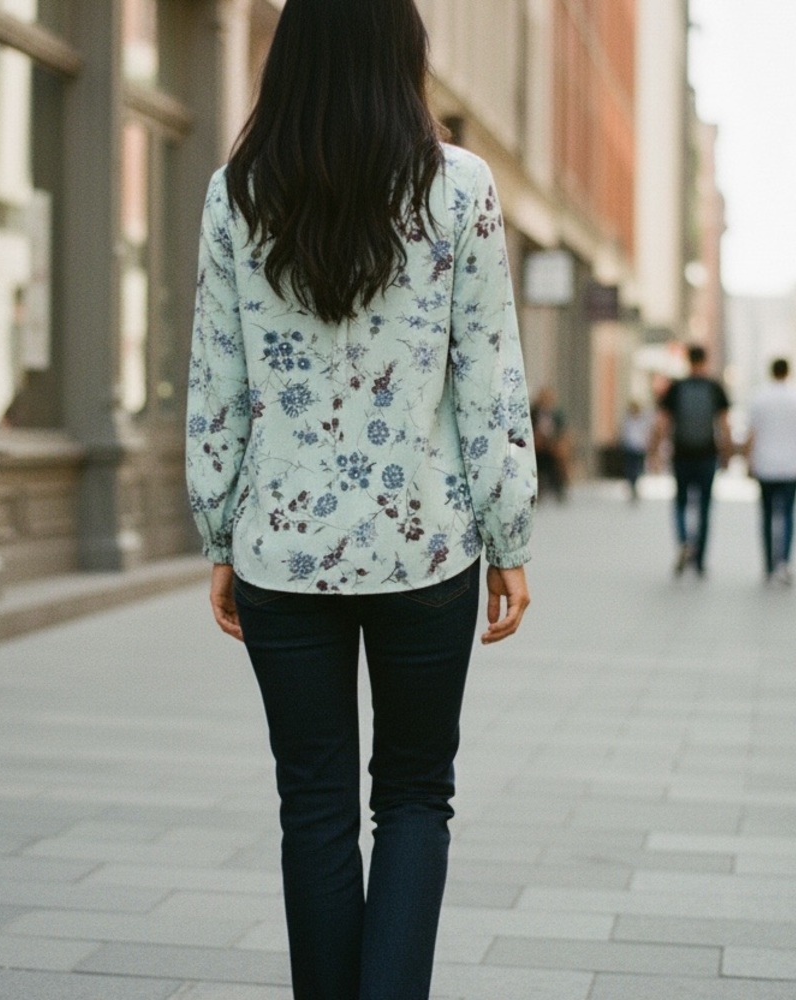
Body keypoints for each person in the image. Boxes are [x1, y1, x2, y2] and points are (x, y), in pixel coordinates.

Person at [185, 3, 537, 998]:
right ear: (405, 56)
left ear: (288, 55)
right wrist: (508, 535)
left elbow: (215, 381)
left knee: (314, 808)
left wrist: (218, 529)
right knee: (417, 798)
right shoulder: (460, 189)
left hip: (279, 554)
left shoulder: (238, 195)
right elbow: (489, 377)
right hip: (426, 548)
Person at [651, 344, 731, 577]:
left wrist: (655, 451)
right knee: (705, 507)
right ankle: (700, 559)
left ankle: (684, 541)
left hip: (682, 455)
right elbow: (724, 424)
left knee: (681, 503)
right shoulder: (715, 388)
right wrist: (726, 453)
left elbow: (662, 423)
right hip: (707, 455)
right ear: (705, 361)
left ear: (688, 361)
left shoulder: (676, 388)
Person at [745, 358, 796, 584]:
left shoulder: (759, 398)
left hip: (765, 465)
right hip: (790, 465)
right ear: (788, 373)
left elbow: (752, 434)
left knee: (766, 515)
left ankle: (768, 565)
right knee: (787, 514)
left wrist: (749, 460)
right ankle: (784, 561)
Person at [531, 386, 571, 501]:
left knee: (561, 455)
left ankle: (560, 488)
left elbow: (563, 431)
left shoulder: (557, 414)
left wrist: (558, 443)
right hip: (538, 445)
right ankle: (538, 488)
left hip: (553, 444)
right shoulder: (533, 412)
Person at [619, 399, 652, 502]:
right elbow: (624, 433)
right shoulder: (627, 420)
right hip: (630, 448)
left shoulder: (642, 419)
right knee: (630, 468)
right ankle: (632, 486)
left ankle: (635, 485)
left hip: (639, 448)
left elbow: (646, 433)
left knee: (638, 468)